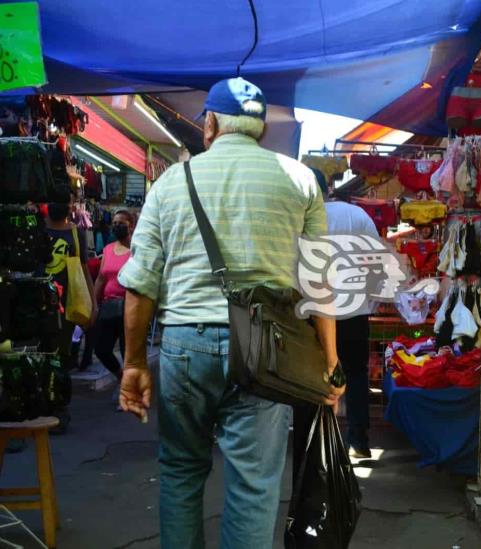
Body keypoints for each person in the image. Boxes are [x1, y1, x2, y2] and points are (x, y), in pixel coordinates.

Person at [117, 77, 344, 549]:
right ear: (259, 129)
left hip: (184, 345)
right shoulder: (300, 179)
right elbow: (319, 282)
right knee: (255, 483)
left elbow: (140, 286)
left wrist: (135, 363)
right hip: (267, 348)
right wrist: (330, 362)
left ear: (212, 124)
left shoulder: (170, 183)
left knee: (181, 470)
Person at [294, 169, 377, 462]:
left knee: (314, 375)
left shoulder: (300, 218)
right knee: (355, 375)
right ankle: (358, 441)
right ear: (327, 187)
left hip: (314, 312)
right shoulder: (357, 217)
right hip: (354, 311)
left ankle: (316, 444)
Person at [43, 183, 97, 432]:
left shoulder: (76, 232)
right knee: (40, 353)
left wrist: (92, 302)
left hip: (66, 305)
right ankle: (40, 403)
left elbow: (85, 269)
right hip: (38, 302)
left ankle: (58, 407)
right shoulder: (38, 230)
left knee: (61, 356)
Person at [93, 210, 134, 391]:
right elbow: (101, 278)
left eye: (121, 223)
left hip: (130, 308)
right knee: (101, 349)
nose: (116, 226)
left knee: (128, 352)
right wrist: (94, 303)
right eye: (114, 223)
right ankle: (121, 378)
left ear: (130, 226)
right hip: (108, 306)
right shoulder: (108, 249)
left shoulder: (137, 250)